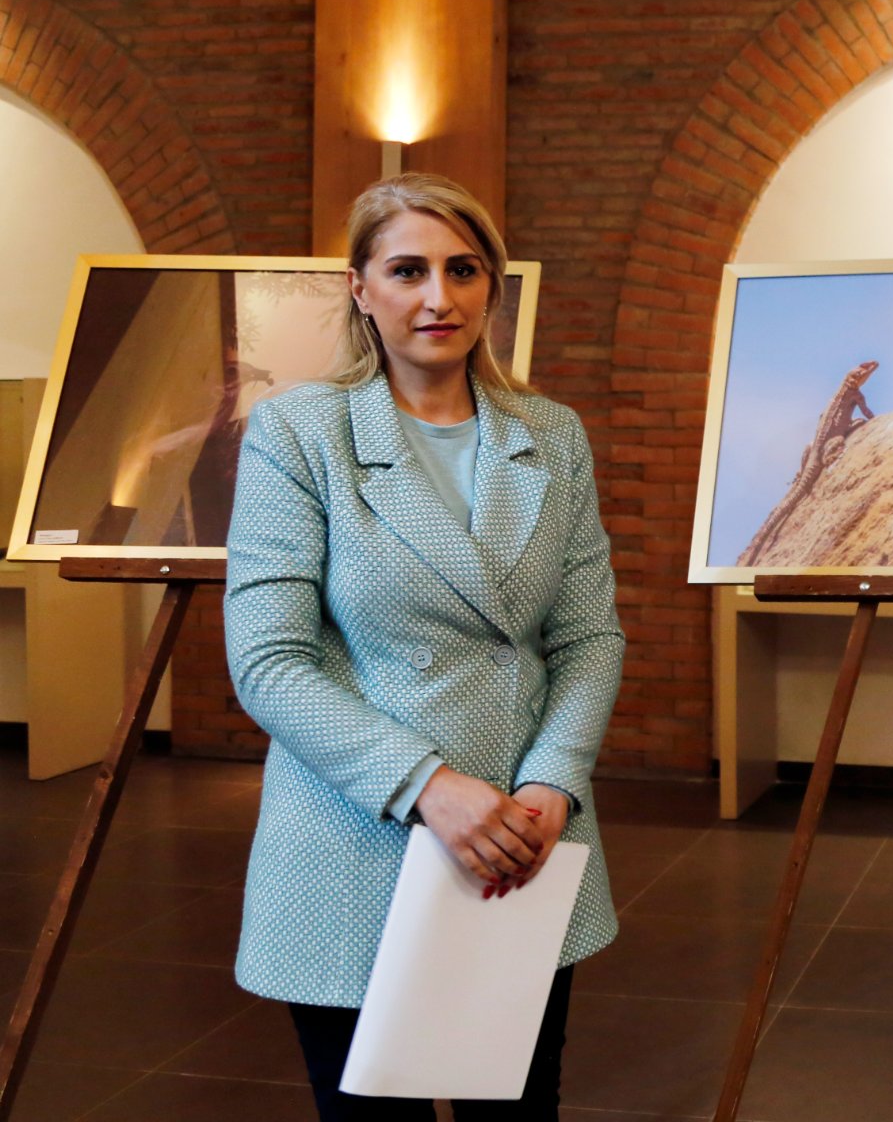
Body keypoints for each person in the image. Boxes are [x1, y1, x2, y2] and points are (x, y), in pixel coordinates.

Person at [224, 173, 625, 1120]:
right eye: (408, 270)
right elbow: (268, 660)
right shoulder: (301, 432)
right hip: (357, 832)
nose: (438, 297)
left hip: (523, 839)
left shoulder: (550, 434)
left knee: (518, 1107)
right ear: (360, 288)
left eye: (463, 270)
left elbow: (588, 635)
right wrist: (429, 787)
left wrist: (553, 782)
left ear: (491, 288)